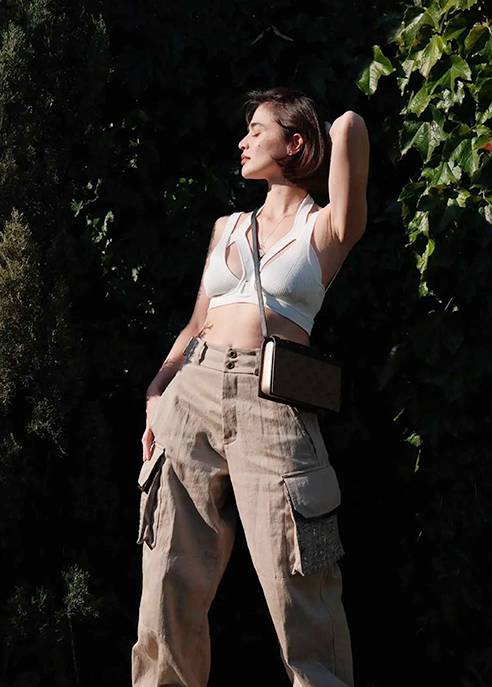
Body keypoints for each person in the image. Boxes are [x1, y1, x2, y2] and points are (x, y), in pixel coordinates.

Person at [132, 86, 370, 687]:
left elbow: (348, 126)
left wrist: (318, 129)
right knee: (167, 578)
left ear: (295, 143)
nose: (243, 142)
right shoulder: (227, 227)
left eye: (257, 130)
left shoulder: (326, 228)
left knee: (299, 581)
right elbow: (195, 323)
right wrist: (156, 394)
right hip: (192, 391)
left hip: (273, 402)